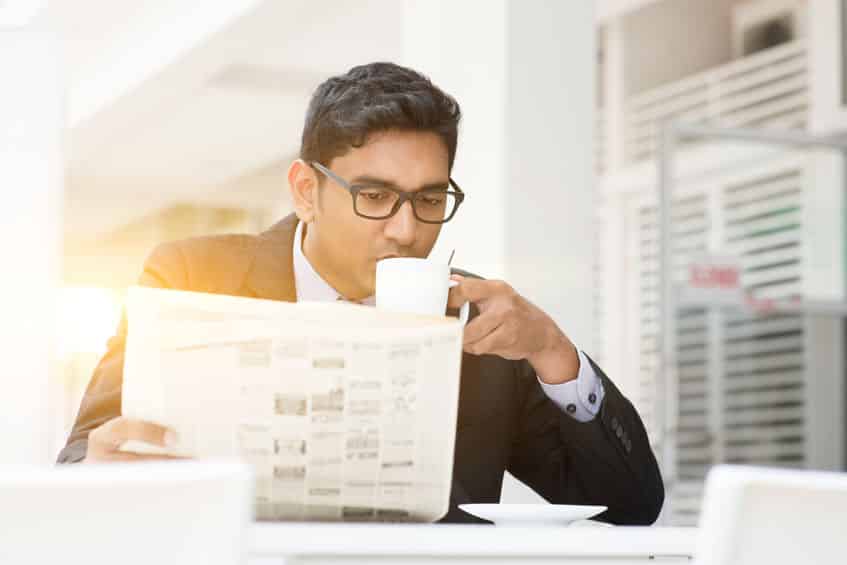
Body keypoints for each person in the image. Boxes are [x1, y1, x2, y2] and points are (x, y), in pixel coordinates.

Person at [59, 62, 664, 524]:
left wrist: (554, 354)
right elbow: (81, 461)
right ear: (305, 191)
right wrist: (98, 470)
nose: (407, 230)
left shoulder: (478, 323)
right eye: (373, 197)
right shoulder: (192, 275)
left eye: (429, 200)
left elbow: (629, 508)